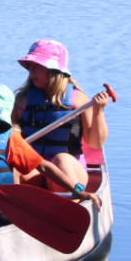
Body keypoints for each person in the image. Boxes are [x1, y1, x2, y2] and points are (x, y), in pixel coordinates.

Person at [0, 81, 100, 236]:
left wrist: (79, 190)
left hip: (0, 218)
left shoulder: (10, 140)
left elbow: (45, 167)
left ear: (1, 114)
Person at [11, 39, 111, 194]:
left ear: (53, 70)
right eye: (30, 66)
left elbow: (96, 143)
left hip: (70, 172)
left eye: (37, 66)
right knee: (14, 165)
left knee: (61, 160)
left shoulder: (78, 100)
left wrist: (99, 111)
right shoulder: (21, 100)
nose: (31, 71)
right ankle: (12, 211)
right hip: (37, 169)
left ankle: (72, 206)